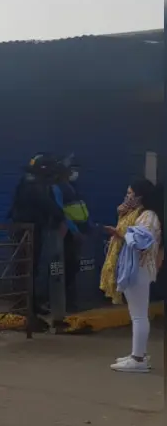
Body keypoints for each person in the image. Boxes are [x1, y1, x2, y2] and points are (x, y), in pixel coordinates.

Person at [99, 178, 162, 373]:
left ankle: (138, 359)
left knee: (139, 316)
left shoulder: (148, 215)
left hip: (139, 269)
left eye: (130, 193)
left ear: (140, 196)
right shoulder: (139, 214)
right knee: (137, 315)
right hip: (136, 269)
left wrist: (120, 234)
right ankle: (138, 354)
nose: (127, 197)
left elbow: (141, 240)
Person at [8, 153, 66, 319]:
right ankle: (23, 305)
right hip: (25, 231)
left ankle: (31, 304)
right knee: (25, 268)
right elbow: (45, 203)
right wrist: (60, 216)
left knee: (31, 268)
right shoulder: (32, 183)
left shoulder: (33, 181)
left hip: (32, 229)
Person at [51, 156, 91, 311]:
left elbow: (79, 208)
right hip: (66, 233)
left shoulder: (72, 187)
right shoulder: (58, 188)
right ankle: (65, 303)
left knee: (73, 266)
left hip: (75, 231)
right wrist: (74, 231)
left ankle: (71, 301)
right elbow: (62, 213)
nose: (75, 173)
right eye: (72, 170)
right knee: (66, 267)